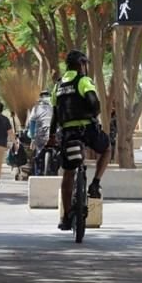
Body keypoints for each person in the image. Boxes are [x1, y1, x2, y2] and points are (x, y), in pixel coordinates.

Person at [48, 50, 111, 230]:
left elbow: (54, 115)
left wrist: (52, 136)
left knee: (68, 173)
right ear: (80, 64)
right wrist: (92, 114)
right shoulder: (84, 81)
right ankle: (95, 183)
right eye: (84, 64)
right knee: (106, 149)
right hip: (87, 130)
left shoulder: (57, 86)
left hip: (67, 133)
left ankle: (66, 217)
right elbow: (95, 104)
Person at [27, 91, 54, 175]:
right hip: (54, 135)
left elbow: (32, 123)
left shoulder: (36, 108)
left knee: (37, 157)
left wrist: (32, 138)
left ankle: (37, 175)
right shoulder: (55, 107)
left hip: (40, 136)